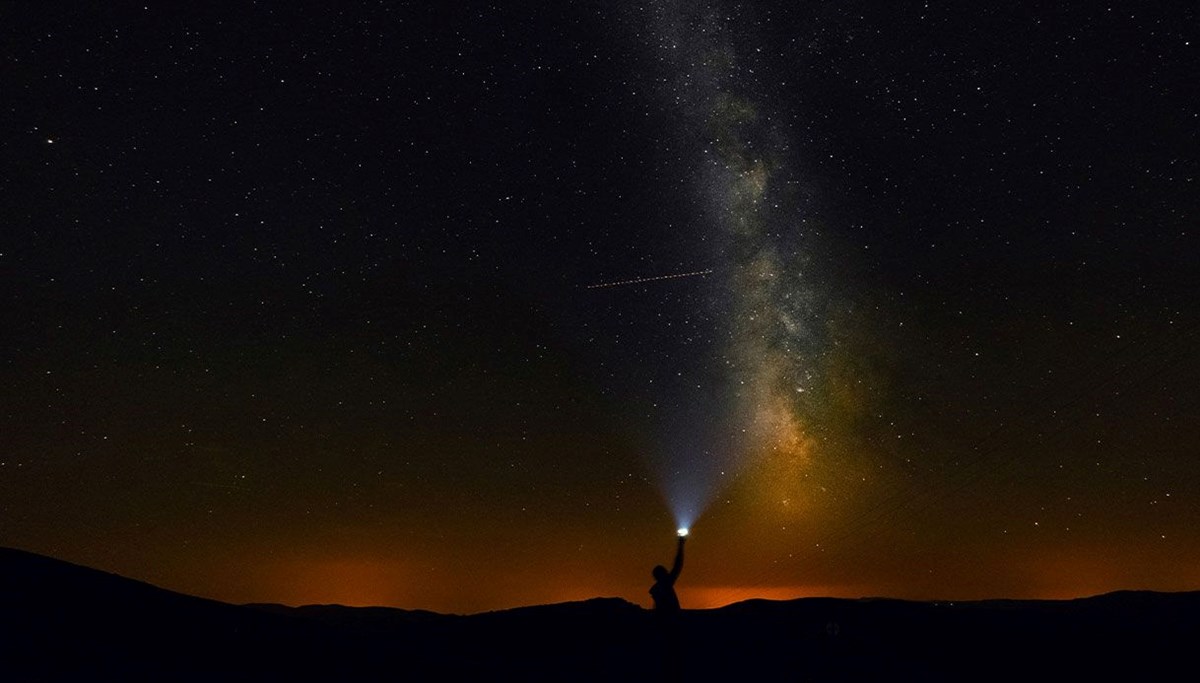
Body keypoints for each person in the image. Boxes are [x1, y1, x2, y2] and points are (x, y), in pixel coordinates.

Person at [650, 535, 685, 613]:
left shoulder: (657, 589)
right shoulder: (665, 585)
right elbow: (677, 566)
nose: (668, 573)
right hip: (670, 618)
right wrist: (681, 546)